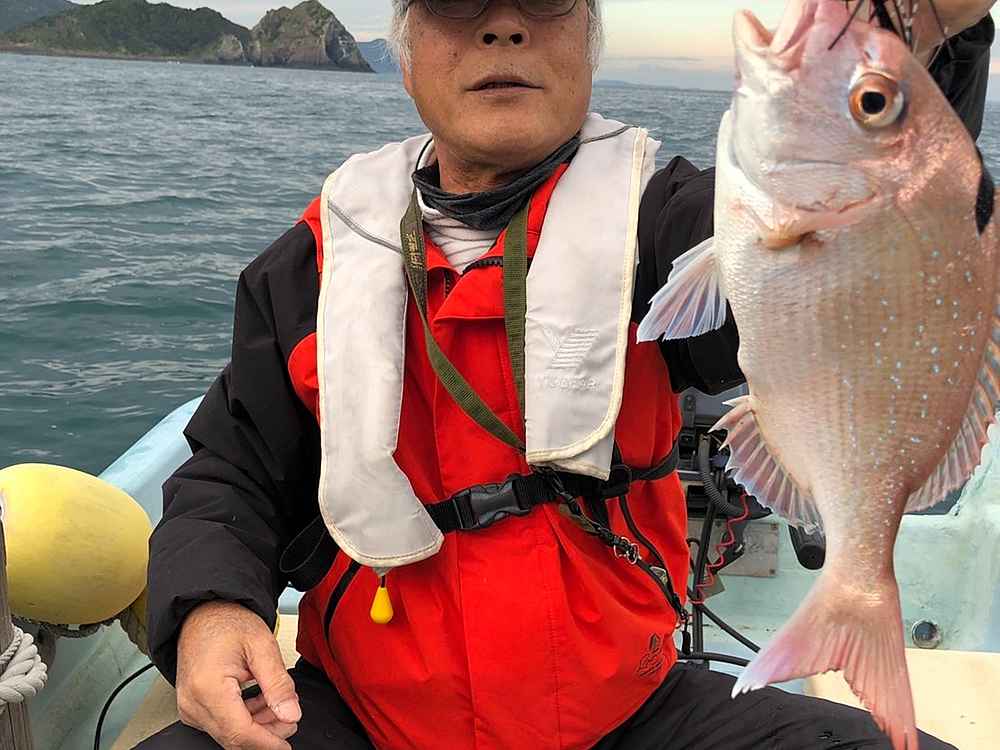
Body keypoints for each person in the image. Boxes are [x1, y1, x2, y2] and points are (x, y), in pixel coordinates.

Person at [136, 1, 996, 748]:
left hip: (630, 715)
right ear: (405, 53)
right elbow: (233, 470)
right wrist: (210, 608)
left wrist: (924, 42)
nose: (504, 26)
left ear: (590, 41)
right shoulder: (307, 266)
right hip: (361, 716)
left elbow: (863, 241)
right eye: (456, 3)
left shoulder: (669, 222)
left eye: (545, 0)